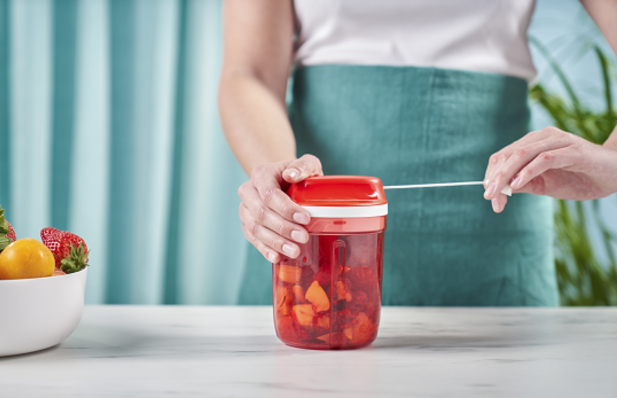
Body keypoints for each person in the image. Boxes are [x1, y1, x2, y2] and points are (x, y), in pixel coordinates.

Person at [218, 0, 617, 306]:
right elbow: (248, 72)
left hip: (493, 251)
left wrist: (612, 160)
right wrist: (278, 180)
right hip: (307, 241)